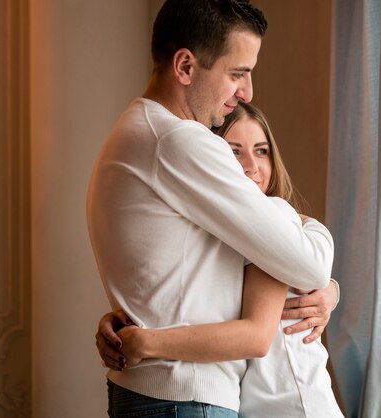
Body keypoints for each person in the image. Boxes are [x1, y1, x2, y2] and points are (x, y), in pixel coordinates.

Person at [87, 1, 336, 417]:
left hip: (157, 393)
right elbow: (305, 264)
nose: (247, 92)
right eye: (237, 73)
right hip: (184, 398)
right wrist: (321, 270)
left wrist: (330, 292)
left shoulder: (136, 132)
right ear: (185, 66)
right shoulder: (179, 142)